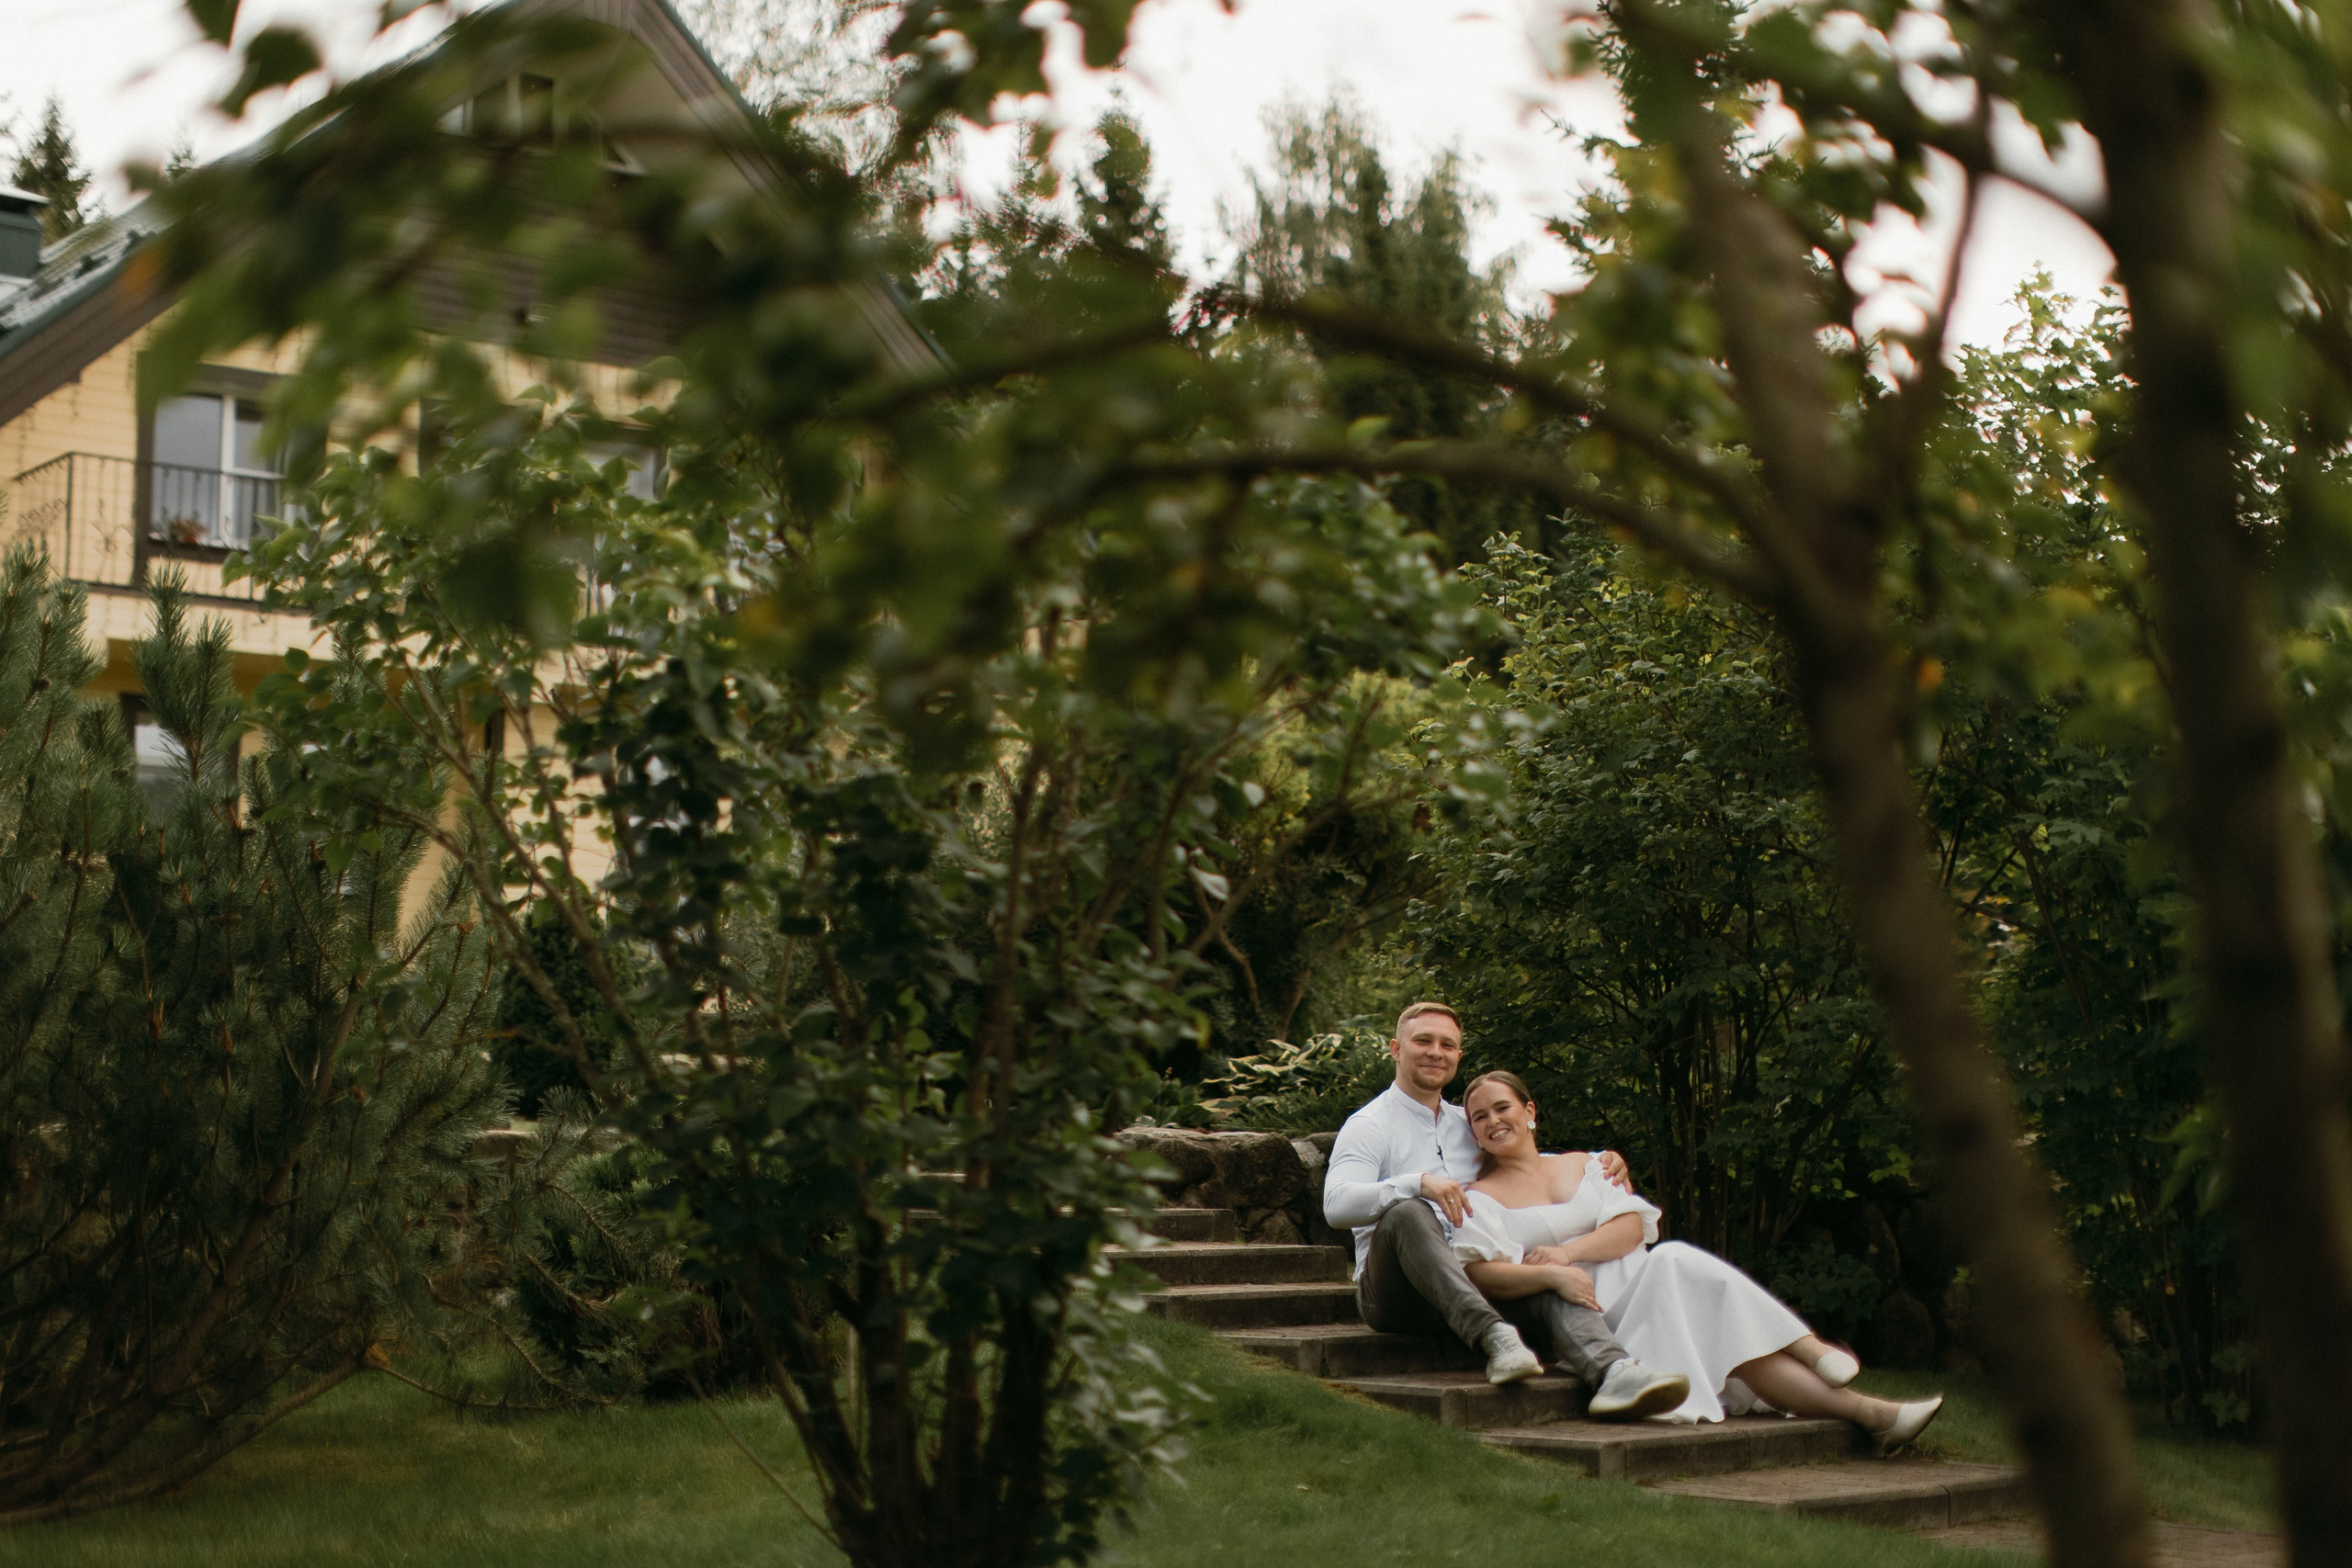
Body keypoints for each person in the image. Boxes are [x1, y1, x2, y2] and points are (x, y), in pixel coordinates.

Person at [1452, 1069, 1945, 1449]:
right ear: (1473, 1132)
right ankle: (1813, 1350)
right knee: (1674, 1259)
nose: (1494, 1121)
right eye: (1480, 1117)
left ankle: (1876, 1416)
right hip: (1602, 1324)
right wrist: (1556, 1275)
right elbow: (1480, 1275)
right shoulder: (1479, 1197)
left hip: (1658, 1292)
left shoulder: (1589, 1163)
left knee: (1736, 1339)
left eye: (1503, 1108)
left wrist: (1567, 1251)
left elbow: (1629, 1228)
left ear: (1530, 1110)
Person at [1322, 1002, 1690, 1418]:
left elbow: (1522, 1159)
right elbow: (1336, 1205)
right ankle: (1496, 1338)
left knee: (1549, 1281)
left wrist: (1596, 1161)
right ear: (1396, 1049)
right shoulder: (1370, 1125)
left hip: (1479, 1279)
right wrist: (1416, 1183)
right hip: (1399, 1294)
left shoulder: (1468, 1122)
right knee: (1409, 1211)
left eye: (1447, 1044)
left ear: (1458, 1055)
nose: (1435, 1052)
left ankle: (1616, 1373)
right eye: (1422, 1041)